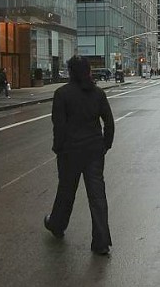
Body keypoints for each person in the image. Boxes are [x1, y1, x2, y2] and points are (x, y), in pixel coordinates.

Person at [45, 55, 115, 255]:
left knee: (66, 191)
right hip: (94, 150)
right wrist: (105, 145)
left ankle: (57, 224)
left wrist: (58, 148)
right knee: (97, 196)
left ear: (70, 72)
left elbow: (58, 126)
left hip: (70, 151)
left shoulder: (62, 94)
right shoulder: (98, 94)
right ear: (88, 72)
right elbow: (109, 123)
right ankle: (101, 241)